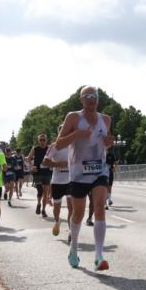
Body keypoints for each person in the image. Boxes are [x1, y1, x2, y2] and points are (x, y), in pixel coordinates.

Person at [55, 86, 115, 270]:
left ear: (98, 99)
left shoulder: (105, 119)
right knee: (78, 214)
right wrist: (76, 134)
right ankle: (73, 248)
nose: (91, 99)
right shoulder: (73, 117)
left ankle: (99, 256)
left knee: (99, 207)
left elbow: (106, 145)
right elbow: (58, 144)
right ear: (81, 99)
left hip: (99, 171)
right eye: (87, 96)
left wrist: (108, 143)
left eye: (94, 96)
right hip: (79, 173)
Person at [43, 124, 72, 240]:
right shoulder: (54, 146)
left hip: (71, 180)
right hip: (57, 181)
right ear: (59, 133)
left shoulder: (73, 145)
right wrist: (57, 164)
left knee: (72, 208)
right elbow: (45, 162)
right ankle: (57, 221)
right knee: (57, 208)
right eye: (62, 132)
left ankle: (71, 231)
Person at [28, 134, 53, 217]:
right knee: (40, 191)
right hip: (37, 172)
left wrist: (52, 164)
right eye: (41, 140)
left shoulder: (50, 148)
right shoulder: (35, 149)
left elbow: (54, 157)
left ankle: (43, 210)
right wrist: (32, 167)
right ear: (38, 141)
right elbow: (28, 158)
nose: (42, 141)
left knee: (46, 192)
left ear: (46, 140)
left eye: (44, 140)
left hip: (47, 172)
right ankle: (39, 203)